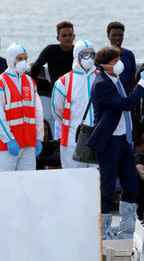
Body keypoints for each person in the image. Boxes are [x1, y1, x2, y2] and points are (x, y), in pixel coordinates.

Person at [87, 46, 144, 240]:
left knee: (131, 185)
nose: (119, 64)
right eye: (115, 61)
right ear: (104, 65)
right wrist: (142, 84)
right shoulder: (101, 83)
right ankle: (103, 230)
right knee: (107, 188)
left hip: (124, 141)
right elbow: (126, 104)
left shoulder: (115, 80)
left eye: (119, 60)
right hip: (109, 142)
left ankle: (127, 228)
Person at [0, 42, 44, 172]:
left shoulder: (30, 82)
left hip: (28, 143)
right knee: (5, 184)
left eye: (25, 59)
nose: (23, 62)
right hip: (7, 145)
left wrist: (39, 138)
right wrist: (8, 139)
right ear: (11, 59)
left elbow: (38, 112)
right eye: (20, 58)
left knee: (27, 184)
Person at [51, 39, 98, 168]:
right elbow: (56, 111)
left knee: (97, 180)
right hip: (73, 140)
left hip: (98, 139)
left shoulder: (101, 78)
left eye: (92, 54)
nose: (89, 58)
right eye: (85, 55)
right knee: (74, 180)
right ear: (77, 56)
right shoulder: (63, 82)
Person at [30, 21, 76, 128]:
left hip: (75, 94)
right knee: (55, 123)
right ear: (58, 38)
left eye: (70, 35)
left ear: (74, 36)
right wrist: (32, 88)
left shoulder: (77, 51)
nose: (67, 38)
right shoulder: (50, 50)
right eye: (64, 35)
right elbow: (35, 67)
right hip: (56, 93)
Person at [107, 22, 137, 95]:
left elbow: (132, 80)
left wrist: (134, 101)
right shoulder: (102, 56)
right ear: (108, 36)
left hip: (127, 99)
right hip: (109, 99)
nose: (117, 38)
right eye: (114, 35)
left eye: (120, 35)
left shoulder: (129, 55)